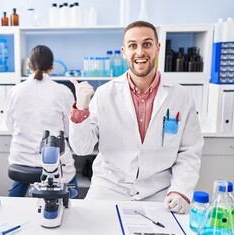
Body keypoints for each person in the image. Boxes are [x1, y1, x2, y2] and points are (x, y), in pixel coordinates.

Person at [69, 21, 204, 214]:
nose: (140, 52)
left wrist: (180, 191)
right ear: (124, 52)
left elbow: (189, 151)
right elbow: (82, 148)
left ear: (158, 48)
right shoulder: (105, 93)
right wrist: (81, 108)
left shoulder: (181, 96)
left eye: (147, 44)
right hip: (109, 188)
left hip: (159, 193)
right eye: (133, 46)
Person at [5, 45, 77, 197]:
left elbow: (10, 127)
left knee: (16, 196)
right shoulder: (63, 92)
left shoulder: (15, 91)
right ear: (52, 67)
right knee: (72, 190)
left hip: (20, 160)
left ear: (29, 66)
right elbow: (69, 131)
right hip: (55, 162)